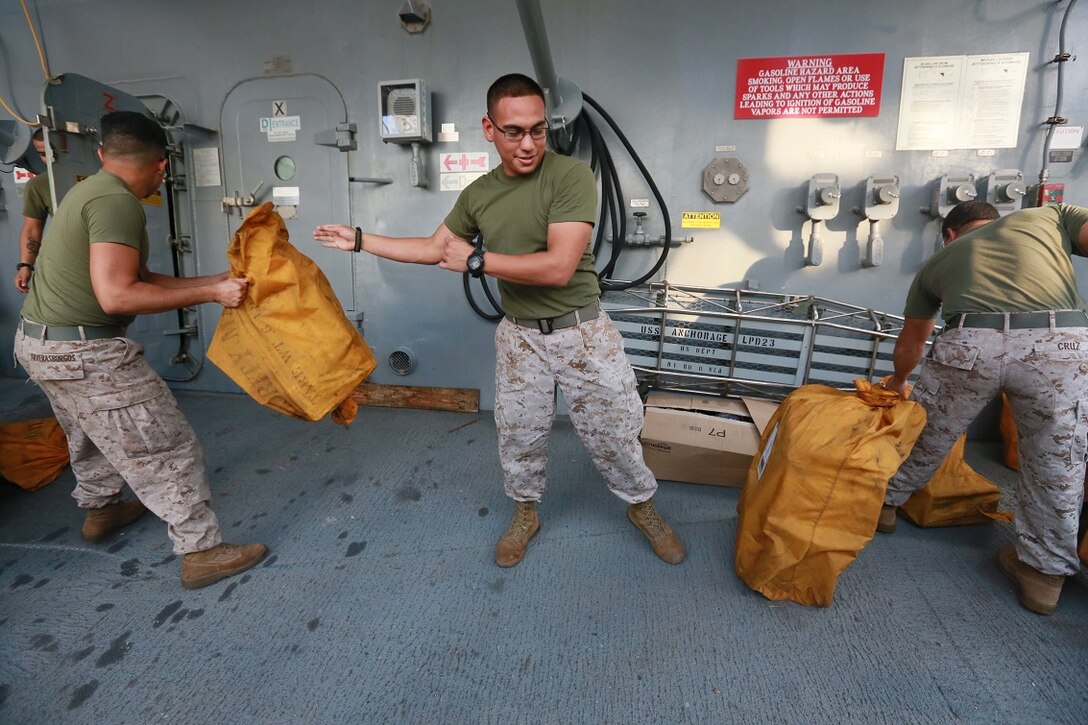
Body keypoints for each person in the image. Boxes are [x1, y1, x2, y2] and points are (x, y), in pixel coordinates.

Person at [314, 73, 685, 568]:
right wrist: (360, 239)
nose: (528, 143)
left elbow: (558, 267)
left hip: (582, 331)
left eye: (537, 130)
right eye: (514, 131)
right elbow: (432, 248)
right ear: (489, 129)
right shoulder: (478, 194)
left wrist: (476, 260)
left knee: (614, 430)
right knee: (519, 433)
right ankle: (526, 512)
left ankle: (642, 506)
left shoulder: (570, 177)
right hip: (520, 338)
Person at [14, 110, 267, 589]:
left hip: (40, 346)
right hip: (87, 354)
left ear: (104, 153)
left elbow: (143, 279)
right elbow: (118, 296)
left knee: (89, 432)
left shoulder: (89, 191)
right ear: (162, 167)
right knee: (166, 445)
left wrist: (216, 280)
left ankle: (101, 511)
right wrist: (213, 296)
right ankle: (203, 552)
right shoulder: (118, 204)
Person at [879, 201, 1088, 615]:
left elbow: (911, 344)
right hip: (1057, 342)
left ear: (951, 234)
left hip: (971, 341)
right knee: (1057, 461)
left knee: (923, 434)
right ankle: (1042, 576)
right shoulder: (1051, 215)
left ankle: (881, 506)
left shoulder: (936, 264)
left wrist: (900, 382)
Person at [14, 128, 53, 293]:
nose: (50, 158)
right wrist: (25, 266)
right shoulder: (39, 185)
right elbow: (32, 228)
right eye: (43, 154)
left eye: (53, 151)